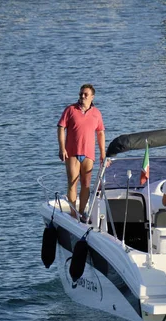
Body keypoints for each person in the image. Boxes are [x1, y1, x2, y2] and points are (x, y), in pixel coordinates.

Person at [57, 83, 106, 221]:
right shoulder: (70, 110)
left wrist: (103, 153)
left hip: (89, 153)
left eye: (85, 94)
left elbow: (100, 133)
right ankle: (73, 215)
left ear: (92, 97)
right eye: (81, 94)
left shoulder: (96, 113)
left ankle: (81, 212)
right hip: (72, 152)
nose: (82, 96)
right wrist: (62, 148)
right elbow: (61, 128)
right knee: (73, 182)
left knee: (86, 184)